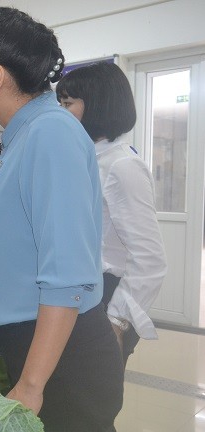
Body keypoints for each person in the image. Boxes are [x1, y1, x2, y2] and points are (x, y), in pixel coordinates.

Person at [0, 7, 124, 432]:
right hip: (36, 344)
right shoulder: (23, 134)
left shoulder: (51, 134)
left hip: (61, 355)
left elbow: (66, 276)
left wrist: (31, 385)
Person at [56, 62, 168, 367]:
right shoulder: (88, 158)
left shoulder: (122, 166)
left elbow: (150, 259)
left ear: (97, 106)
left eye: (67, 104)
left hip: (106, 297)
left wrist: (117, 321)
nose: (61, 113)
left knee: (90, 406)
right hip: (81, 291)